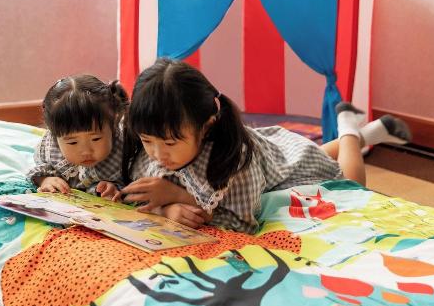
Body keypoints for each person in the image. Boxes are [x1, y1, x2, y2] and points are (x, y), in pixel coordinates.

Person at [120, 58, 412, 233]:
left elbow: (242, 224)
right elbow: (132, 192)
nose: (157, 154)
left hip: (290, 169)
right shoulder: (153, 140)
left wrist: (178, 196)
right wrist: (164, 211)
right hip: (280, 155)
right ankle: (368, 133)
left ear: (206, 125)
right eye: (147, 141)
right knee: (311, 156)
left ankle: (349, 129)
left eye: (170, 142)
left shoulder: (233, 160)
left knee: (350, 184)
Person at [28, 74, 128, 200]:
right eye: (72, 142)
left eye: (96, 139)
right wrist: (45, 180)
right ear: (54, 135)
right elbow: (39, 169)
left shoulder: (123, 149)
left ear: (113, 126)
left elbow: (131, 179)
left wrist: (114, 187)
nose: (86, 151)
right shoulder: (50, 148)